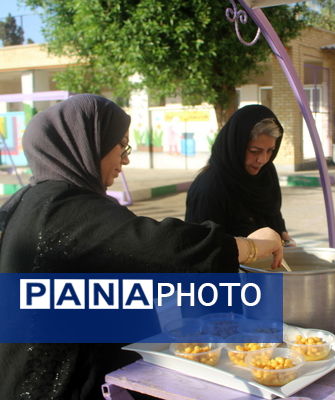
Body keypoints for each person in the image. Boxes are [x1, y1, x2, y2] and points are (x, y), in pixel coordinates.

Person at [0, 94, 283, 400]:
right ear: (86, 144)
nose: (126, 158)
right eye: (120, 145)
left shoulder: (36, 199)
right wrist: (252, 246)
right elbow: (160, 246)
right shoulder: (64, 209)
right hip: (49, 386)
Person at [185, 104, 294, 246]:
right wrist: (251, 249)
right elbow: (202, 249)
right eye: (255, 151)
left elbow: (274, 217)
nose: (263, 160)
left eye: (270, 151)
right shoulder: (210, 188)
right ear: (236, 146)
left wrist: (283, 238)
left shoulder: (266, 174)